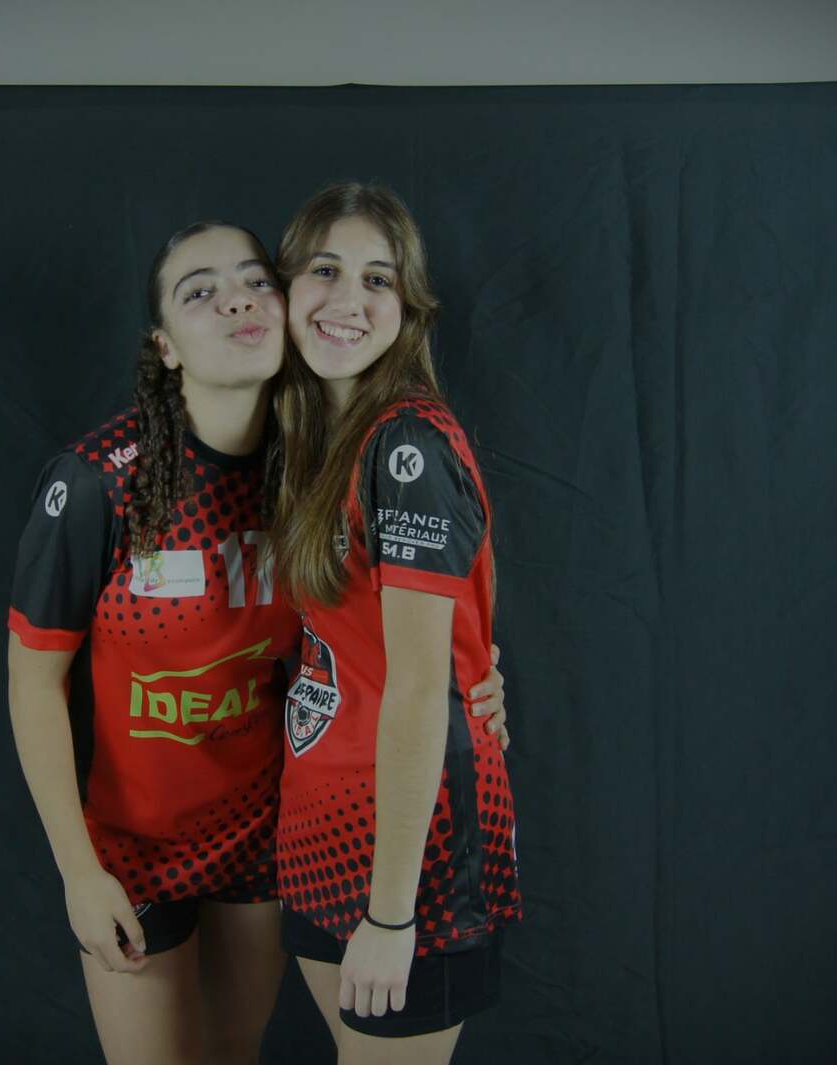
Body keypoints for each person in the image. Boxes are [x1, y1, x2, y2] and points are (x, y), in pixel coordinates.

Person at [5, 220, 511, 1065]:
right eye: (200, 291)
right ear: (165, 346)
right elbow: (32, 683)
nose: (236, 299)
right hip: (133, 845)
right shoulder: (99, 481)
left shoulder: (316, 467)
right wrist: (77, 870)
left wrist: (478, 679)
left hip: (262, 838)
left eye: (253, 280)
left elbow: (393, 623)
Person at [270, 182, 522, 1065]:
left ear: (408, 308)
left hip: (413, 854)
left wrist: (392, 913)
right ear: (286, 287)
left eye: (378, 279)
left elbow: (421, 687)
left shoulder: (406, 445)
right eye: (325, 270)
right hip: (318, 828)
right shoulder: (313, 438)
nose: (348, 299)